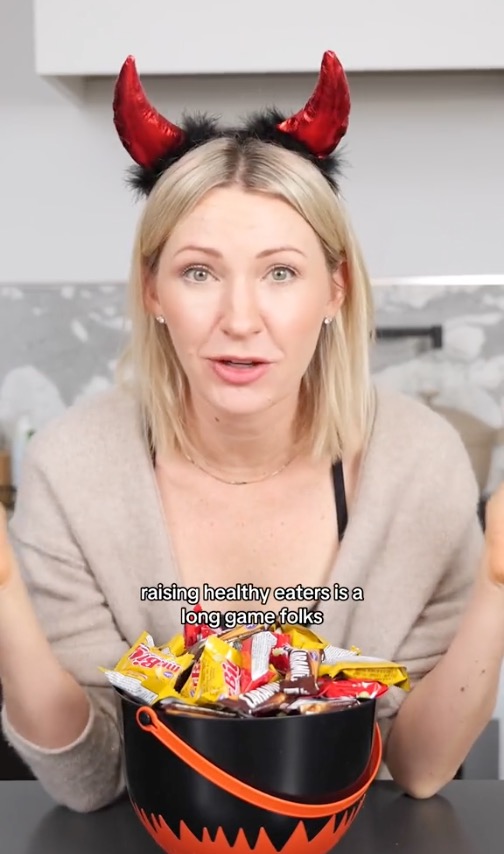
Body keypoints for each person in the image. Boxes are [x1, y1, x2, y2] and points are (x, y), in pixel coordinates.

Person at [1, 49, 504, 814]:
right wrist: (4, 595)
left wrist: (499, 591)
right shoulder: (73, 468)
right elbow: (92, 779)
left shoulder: (417, 462)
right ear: (154, 290)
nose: (240, 320)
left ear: (334, 288)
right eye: (199, 272)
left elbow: (419, 767)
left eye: (280, 272)